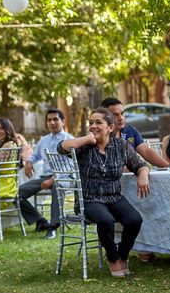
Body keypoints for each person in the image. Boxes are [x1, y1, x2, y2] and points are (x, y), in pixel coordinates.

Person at [58, 108, 150, 278]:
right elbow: (61, 148)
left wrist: (143, 175)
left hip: (113, 197)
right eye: (91, 123)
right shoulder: (84, 147)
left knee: (134, 220)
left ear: (110, 127)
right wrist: (87, 139)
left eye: (98, 122)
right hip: (89, 199)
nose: (93, 126)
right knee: (105, 220)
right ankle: (113, 258)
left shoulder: (121, 146)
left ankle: (122, 254)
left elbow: (140, 164)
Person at [18, 109, 73, 239]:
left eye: (55, 119)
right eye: (49, 120)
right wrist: (29, 162)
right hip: (46, 177)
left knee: (56, 186)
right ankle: (41, 221)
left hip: (66, 178)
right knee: (18, 193)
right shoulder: (44, 140)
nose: (52, 122)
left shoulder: (70, 140)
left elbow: (70, 166)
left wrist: (54, 179)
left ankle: (53, 227)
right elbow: (35, 155)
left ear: (63, 121)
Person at [101, 97, 170, 168]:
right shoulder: (99, 135)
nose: (121, 118)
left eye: (122, 113)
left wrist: (169, 166)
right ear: (105, 117)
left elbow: (146, 151)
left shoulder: (130, 131)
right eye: (115, 115)